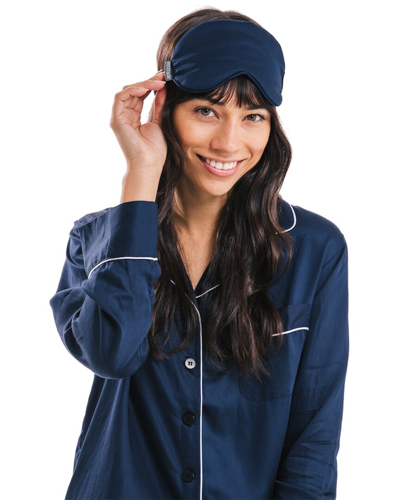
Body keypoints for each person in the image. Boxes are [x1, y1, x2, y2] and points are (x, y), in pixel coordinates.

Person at [49, 7, 349, 500]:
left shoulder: (315, 249)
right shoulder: (97, 238)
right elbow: (112, 353)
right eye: (206, 111)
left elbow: (315, 432)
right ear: (165, 109)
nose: (229, 142)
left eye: (253, 117)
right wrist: (140, 174)